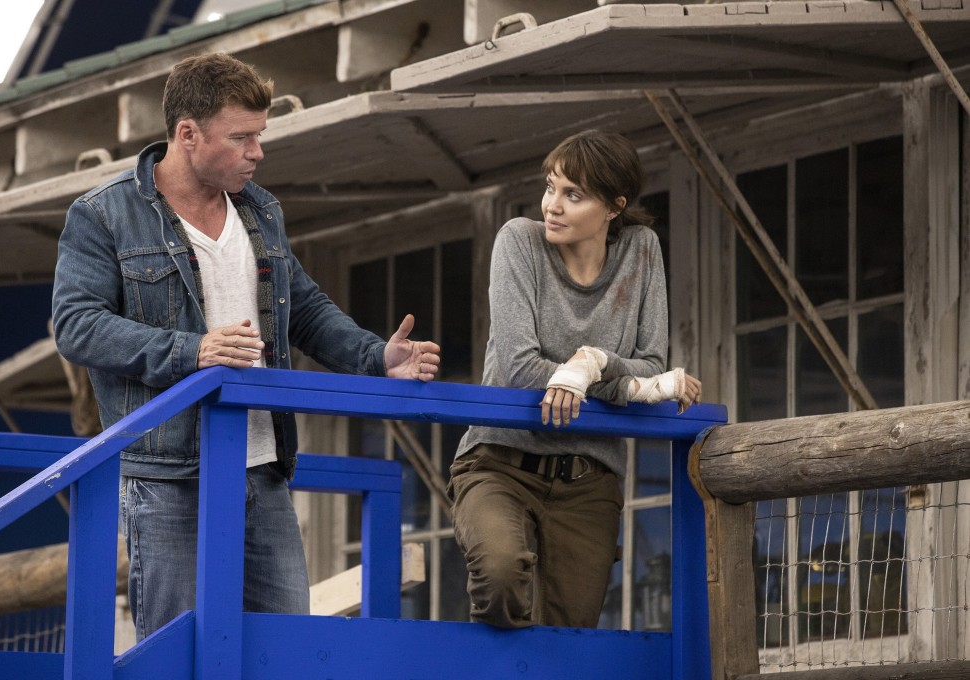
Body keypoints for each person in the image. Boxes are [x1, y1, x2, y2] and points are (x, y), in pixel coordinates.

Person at [51, 52, 441, 641]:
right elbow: (76, 325)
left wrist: (374, 358)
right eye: (243, 138)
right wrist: (193, 352)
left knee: (286, 651)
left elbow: (303, 308)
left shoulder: (260, 208)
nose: (258, 152)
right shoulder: (103, 215)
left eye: (260, 136)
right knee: (174, 654)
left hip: (264, 467)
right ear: (187, 134)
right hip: (167, 476)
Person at [448, 129, 702, 629]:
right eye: (550, 187)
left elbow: (651, 362)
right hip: (500, 461)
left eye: (573, 194)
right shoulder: (518, 241)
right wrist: (622, 384)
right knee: (500, 577)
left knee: (571, 633)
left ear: (613, 207)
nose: (552, 205)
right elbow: (521, 369)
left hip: (590, 479)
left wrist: (589, 364)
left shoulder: (643, 251)